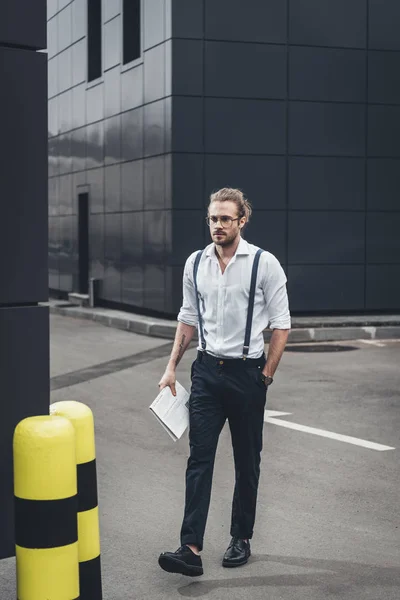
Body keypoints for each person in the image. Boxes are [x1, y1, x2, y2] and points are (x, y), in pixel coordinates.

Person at [157, 188, 291, 577]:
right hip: (206, 373)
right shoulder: (195, 263)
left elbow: (282, 325)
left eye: (226, 219)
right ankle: (190, 548)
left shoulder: (264, 264)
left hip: (247, 374)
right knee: (199, 459)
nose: (218, 225)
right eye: (213, 219)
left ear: (241, 220)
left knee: (247, 461)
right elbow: (187, 317)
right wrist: (171, 368)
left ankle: (240, 537)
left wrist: (265, 375)